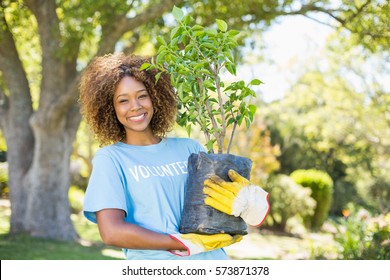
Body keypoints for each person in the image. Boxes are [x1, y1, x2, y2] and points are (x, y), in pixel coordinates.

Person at [79, 53, 269, 260]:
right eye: (123, 100)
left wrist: (250, 203)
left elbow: (227, 212)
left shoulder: (189, 148)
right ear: (110, 108)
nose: (135, 106)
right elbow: (112, 231)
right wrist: (182, 243)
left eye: (142, 95)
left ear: (155, 96)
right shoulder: (111, 159)